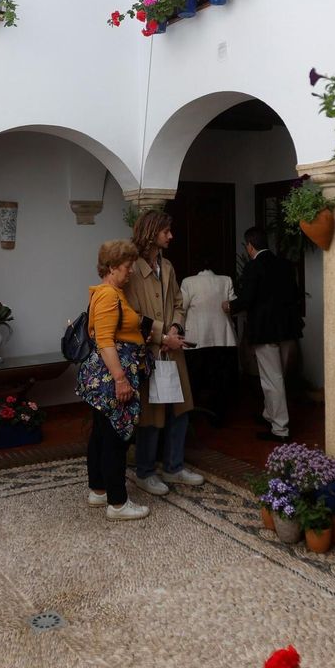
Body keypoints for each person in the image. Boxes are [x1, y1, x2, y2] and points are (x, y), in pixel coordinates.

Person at [124, 211, 202, 496]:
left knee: (179, 410)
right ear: (151, 232)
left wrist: (175, 327)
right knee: (150, 414)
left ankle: (174, 466)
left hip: (173, 351)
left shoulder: (167, 266)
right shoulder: (131, 270)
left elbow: (179, 303)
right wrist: (160, 335)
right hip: (148, 352)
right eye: (166, 231)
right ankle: (144, 472)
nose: (171, 236)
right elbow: (130, 314)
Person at [77, 239, 152, 520]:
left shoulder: (108, 292)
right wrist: (121, 379)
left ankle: (98, 490)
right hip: (111, 375)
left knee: (100, 433)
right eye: (127, 267)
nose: (130, 271)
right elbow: (106, 341)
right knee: (115, 438)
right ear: (111, 268)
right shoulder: (109, 295)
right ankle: (118, 503)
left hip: (104, 376)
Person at [232, 225, 302, 442]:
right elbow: (295, 295)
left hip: (265, 331)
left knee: (272, 379)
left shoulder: (253, 267)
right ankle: (269, 414)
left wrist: (230, 306)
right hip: (287, 329)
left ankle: (280, 429)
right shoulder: (285, 264)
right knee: (278, 375)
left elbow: (247, 299)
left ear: (250, 246)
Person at [180, 259, 238, 425]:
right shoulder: (226, 280)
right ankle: (218, 418)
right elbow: (232, 305)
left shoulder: (188, 282)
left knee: (194, 381)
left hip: (196, 339)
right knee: (219, 382)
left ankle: (190, 418)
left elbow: (181, 308)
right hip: (223, 337)